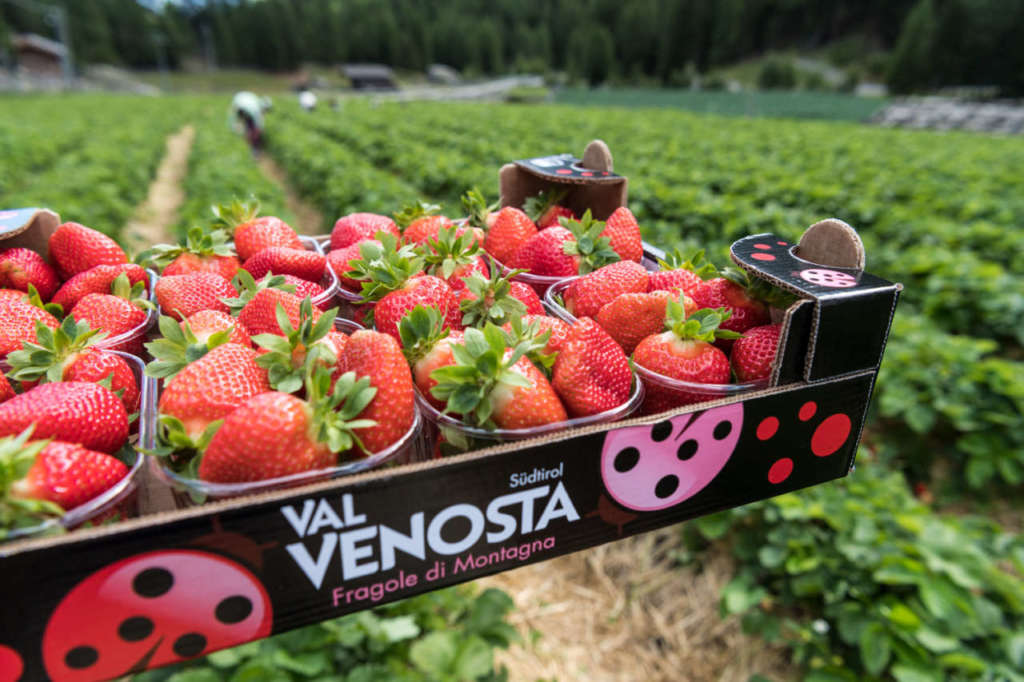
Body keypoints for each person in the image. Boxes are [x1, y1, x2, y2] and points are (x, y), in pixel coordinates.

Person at [229, 91, 268, 157]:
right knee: (252, 129)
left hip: (243, 105)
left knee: (250, 127)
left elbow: (233, 115)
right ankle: (254, 148)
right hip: (243, 107)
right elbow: (258, 124)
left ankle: (252, 145)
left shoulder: (251, 103)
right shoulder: (254, 109)